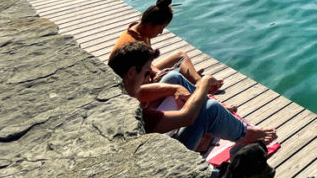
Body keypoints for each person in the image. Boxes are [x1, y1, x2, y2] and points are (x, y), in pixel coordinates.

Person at [108, 41, 275, 152]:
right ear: (131, 73)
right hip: (164, 154)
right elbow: (187, 117)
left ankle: (211, 129)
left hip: (157, 135)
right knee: (210, 109)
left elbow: (141, 91)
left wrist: (174, 88)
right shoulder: (133, 113)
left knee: (173, 78)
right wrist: (204, 83)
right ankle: (244, 134)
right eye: (146, 73)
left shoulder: (118, 91)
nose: (150, 76)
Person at [109, 0, 224, 92]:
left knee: (181, 56)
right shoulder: (132, 43)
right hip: (133, 85)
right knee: (173, 78)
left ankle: (198, 81)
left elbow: (145, 63)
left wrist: (159, 72)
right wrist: (160, 74)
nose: (161, 32)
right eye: (160, 28)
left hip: (142, 72)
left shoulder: (139, 31)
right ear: (149, 24)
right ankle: (201, 90)